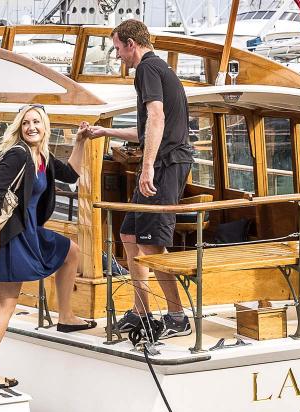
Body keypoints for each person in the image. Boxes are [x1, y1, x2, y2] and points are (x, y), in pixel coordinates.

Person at [0, 104, 92, 388]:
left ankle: (66, 316)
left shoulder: (42, 156)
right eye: (26, 123)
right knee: (5, 305)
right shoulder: (18, 154)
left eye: (36, 122)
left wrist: (80, 142)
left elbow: (70, 174)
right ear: (20, 128)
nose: (31, 127)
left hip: (29, 232)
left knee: (71, 251)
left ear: (45, 127)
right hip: (9, 236)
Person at [81, 19, 194, 342]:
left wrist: (147, 168)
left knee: (151, 243)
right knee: (129, 233)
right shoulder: (159, 69)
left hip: (166, 164)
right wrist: (105, 131)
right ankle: (141, 311)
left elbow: (156, 117)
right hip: (166, 160)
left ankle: (177, 317)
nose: (118, 55)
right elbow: (148, 129)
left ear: (131, 44)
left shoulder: (146, 68)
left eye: (117, 48)